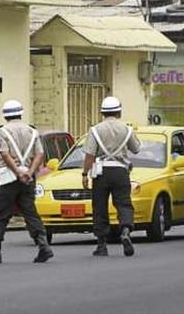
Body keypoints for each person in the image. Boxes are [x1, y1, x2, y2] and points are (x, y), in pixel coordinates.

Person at [0, 100, 54, 264]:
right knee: (30, 212)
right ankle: (43, 245)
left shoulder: (2, 132)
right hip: (28, 178)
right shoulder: (32, 131)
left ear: (5, 115)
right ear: (21, 113)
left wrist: (17, 172)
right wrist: (28, 172)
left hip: (8, 178)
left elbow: (5, 155)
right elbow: (40, 154)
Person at [82, 96, 141, 257]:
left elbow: (90, 155)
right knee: (124, 204)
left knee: (99, 207)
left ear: (102, 112)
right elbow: (136, 149)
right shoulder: (126, 129)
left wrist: (85, 174)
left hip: (101, 172)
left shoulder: (95, 130)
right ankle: (126, 231)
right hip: (121, 171)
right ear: (119, 111)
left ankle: (102, 245)